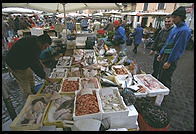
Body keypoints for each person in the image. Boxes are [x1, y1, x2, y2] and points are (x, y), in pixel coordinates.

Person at [5, 33, 54, 100]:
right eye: (45, 47)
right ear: (40, 42)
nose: (45, 49)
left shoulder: (35, 40)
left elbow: (35, 57)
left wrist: (40, 62)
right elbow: (36, 67)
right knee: (25, 83)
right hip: (15, 64)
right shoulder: (31, 48)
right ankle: (30, 100)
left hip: (24, 60)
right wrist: (47, 78)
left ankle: (34, 92)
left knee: (30, 76)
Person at [157, 6, 191, 88]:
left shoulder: (185, 30)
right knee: (160, 75)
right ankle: (159, 93)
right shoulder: (174, 29)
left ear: (180, 17)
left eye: (174, 17)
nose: (172, 19)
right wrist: (161, 53)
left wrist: (169, 61)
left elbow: (178, 48)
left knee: (166, 78)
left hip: (171, 57)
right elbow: (167, 42)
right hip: (165, 55)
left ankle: (165, 94)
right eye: (172, 17)